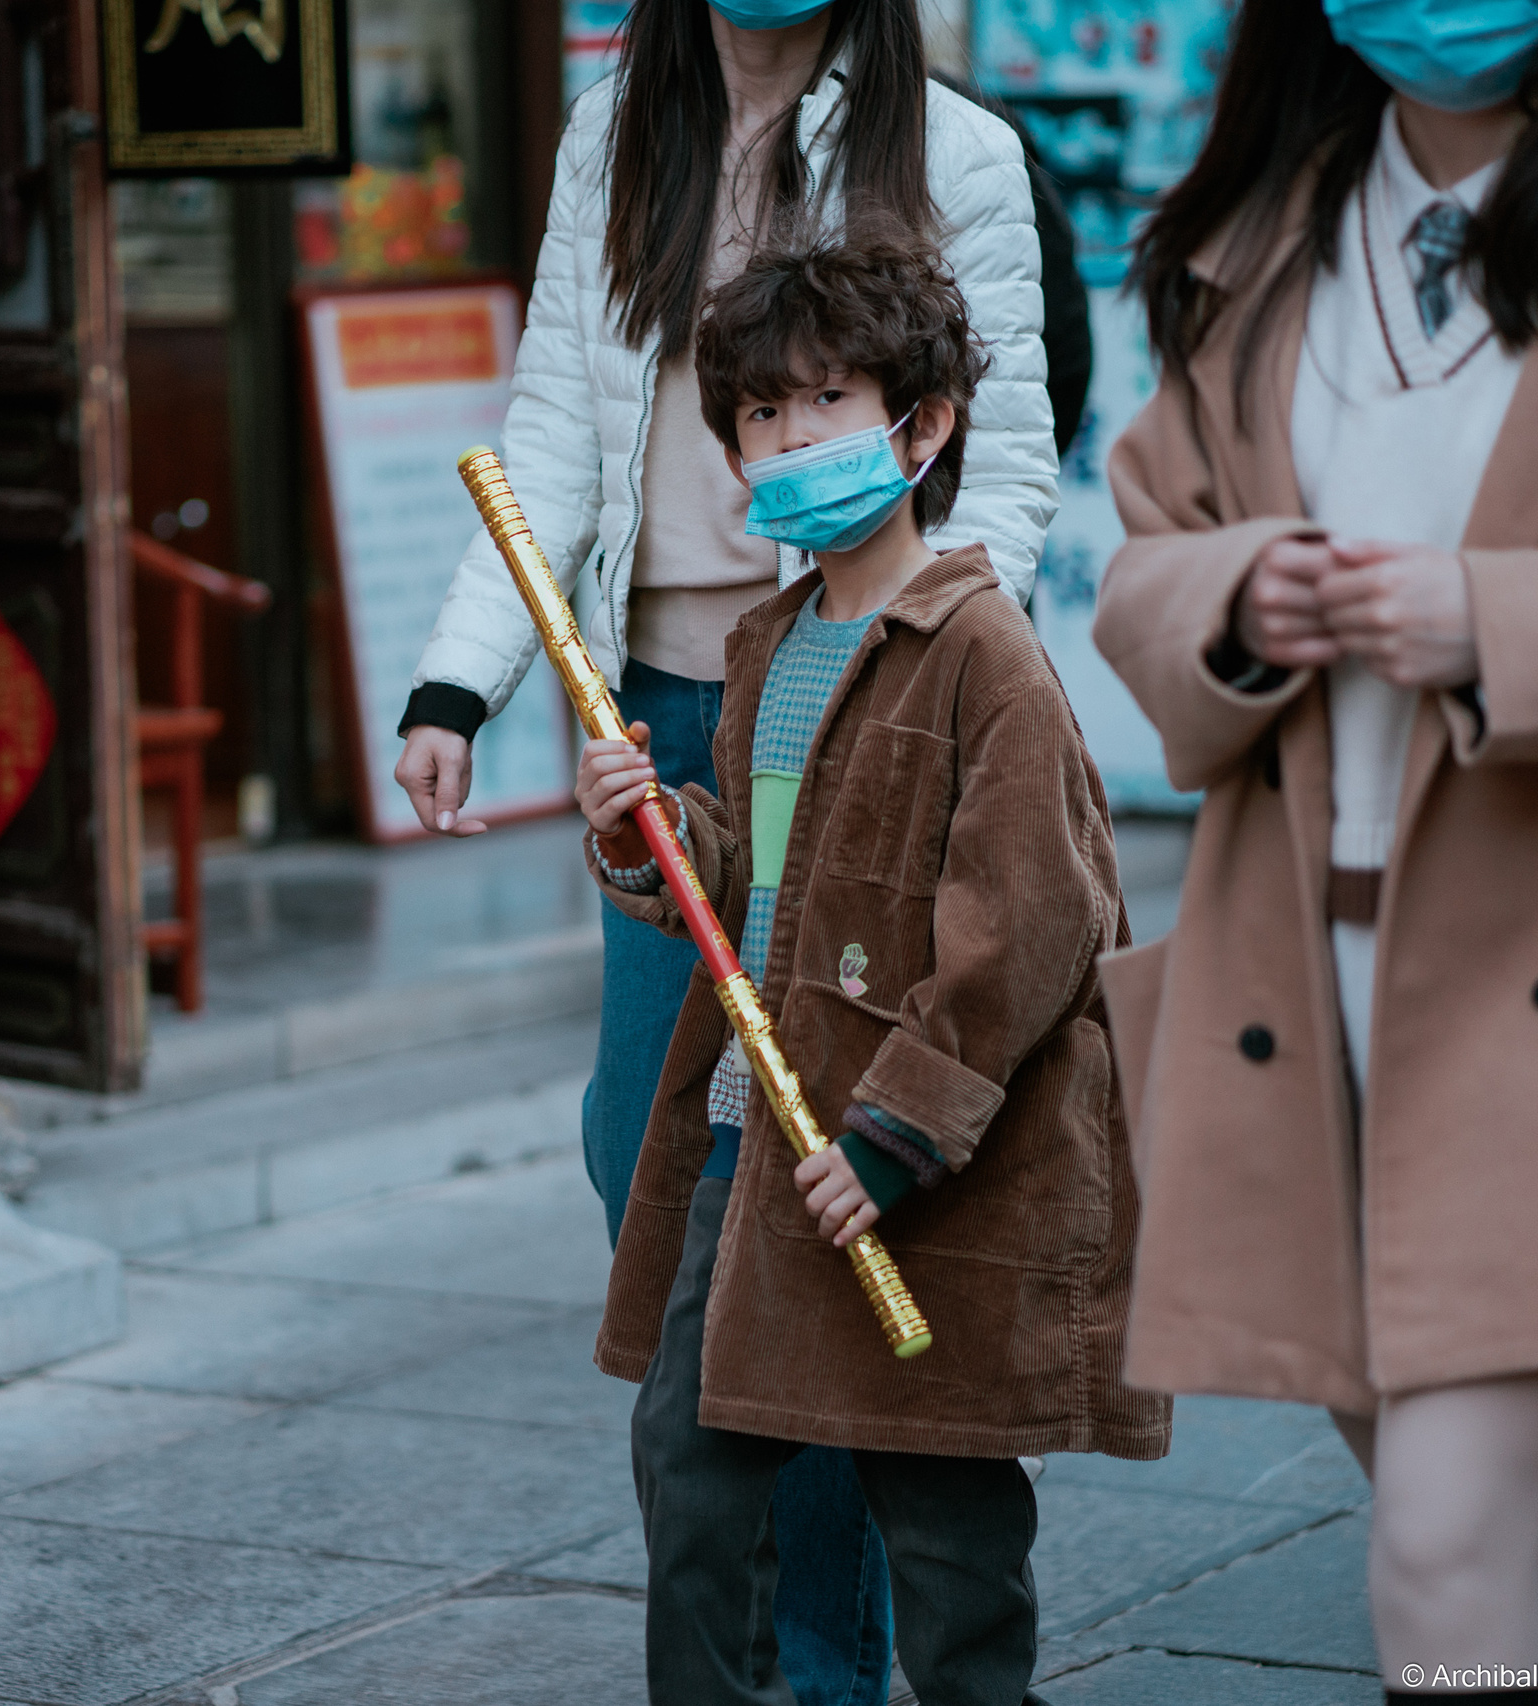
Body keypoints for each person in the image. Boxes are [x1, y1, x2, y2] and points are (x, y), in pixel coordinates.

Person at [394, 5, 1058, 1693]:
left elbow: (1012, 451)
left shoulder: (957, 150)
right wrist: (459, 677)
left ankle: (822, 1660)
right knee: (657, 1158)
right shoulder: (616, 133)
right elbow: (549, 411)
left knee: (822, 1186)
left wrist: (928, 683)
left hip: (864, 703)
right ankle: (788, 1628)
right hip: (672, 711)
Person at [1093, 3, 1538, 1701]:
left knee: (1441, 1558)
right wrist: (1238, 598)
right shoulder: (1250, 242)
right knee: (1472, 1553)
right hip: (1293, 991)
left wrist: (1499, 619)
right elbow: (1142, 553)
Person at [577, 231, 1167, 1706]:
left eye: (823, 402)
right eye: (759, 416)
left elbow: (1030, 922)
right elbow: (769, 883)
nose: (786, 441)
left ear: (922, 425)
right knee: (693, 1462)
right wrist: (654, 838)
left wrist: (895, 1131)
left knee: (947, 1524)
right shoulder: (769, 642)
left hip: (914, 1158)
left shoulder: (983, 651)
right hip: (756, 1132)